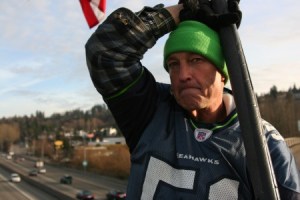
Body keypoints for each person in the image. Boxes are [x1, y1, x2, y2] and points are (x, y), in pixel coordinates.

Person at [85, 1, 300, 199]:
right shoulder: (150, 110)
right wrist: (182, 11)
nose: (183, 74)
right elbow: (105, 51)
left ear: (222, 72)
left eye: (196, 60)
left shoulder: (264, 144)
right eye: (173, 64)